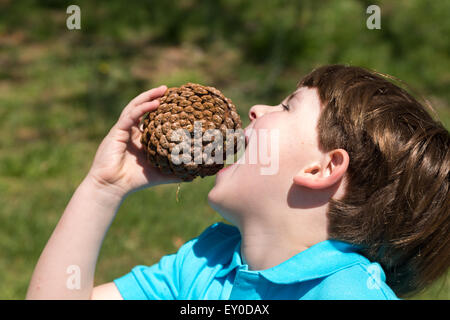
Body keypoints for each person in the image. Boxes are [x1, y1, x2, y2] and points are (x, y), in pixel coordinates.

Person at [26, 65, 449, 300]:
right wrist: (103, 189)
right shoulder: (205, 265)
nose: (256, 109)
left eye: (286, 107)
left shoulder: (348, 295)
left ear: (322, 169)